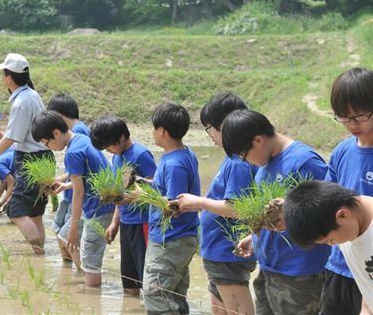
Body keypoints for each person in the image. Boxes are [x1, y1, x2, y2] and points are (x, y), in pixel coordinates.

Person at [222, 109, 330, 315]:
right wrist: (254, 238)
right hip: (269, 269)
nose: (247, 163)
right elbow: (271, 217)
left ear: (258, 140)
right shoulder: (264, 167)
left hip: (300, 273)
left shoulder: (304, 161)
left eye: (244, 156)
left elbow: (327, 214)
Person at [176, 93, 257, 315]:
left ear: (225, 125)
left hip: (227, 251)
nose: (209, 135)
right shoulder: (233, 158)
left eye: (209, 127)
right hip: (218, 251)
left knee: (238, 310)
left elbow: (237, 208)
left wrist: (199, 202)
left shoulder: (239, 162)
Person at [0, 53, 52, 255]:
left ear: (9, 77)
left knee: (16, 211)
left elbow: (12, 139)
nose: (2, 78)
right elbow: (15, 134)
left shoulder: (20, 102)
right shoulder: (32, 95)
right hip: (43, 158)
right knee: (35, 213)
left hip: (30, 160)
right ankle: (40, 255)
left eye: (3, 74)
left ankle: (38, 252)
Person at [31, 110, 114, 286]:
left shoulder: (73, 152)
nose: (48, 147)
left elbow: (79, 193)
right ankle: (85, 276)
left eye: (47, 143)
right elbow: (90, 175)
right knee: (63, 236)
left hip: (98, 210)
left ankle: (92, 292)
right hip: (99, 204)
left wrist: (74, 228)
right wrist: (65, 183)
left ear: (56, 133)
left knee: (90, 261)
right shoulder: (83, 139)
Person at [318, 67, 373, 315]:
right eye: (343, 117)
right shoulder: (342, 151)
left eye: (359, 116)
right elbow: (326, 200)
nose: (351, 124)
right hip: (340, 266)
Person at [140, 102, 200, 314]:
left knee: (154, 293)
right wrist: (146, 184)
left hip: (172, 238)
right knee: (173, 294)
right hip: (178, 237)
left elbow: (175, 206)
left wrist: (143, 195)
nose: (153, 133)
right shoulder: (183, 154)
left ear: (162, 131)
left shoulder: (174, 163)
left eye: (154, 128)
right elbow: (167, 190)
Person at [90, 115, 157, 295]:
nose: (108, 151)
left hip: (142, 223)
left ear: (121, 137)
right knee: (129, 282)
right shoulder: (117, 158)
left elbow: (156, 192)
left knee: (147, 280)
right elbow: (121, 193)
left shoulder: (141, 155)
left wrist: (130, 198)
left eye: (109, 145)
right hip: (126, 223)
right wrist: (114, 223)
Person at [283, 181, 373, 310]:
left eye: (330, 240)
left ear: (343, 215)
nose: (332, 244)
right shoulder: (349, 222)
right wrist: (365, 308)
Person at [47, 93, 90, 260]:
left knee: (68, 239)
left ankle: (82, 276)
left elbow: (83, 170)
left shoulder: (78, 132)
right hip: (70, 193)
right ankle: (69, 274)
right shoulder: (76, 130)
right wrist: (61, 180)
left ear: (58, 116)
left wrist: (64, 181)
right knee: (61, 234)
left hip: (76, 196)